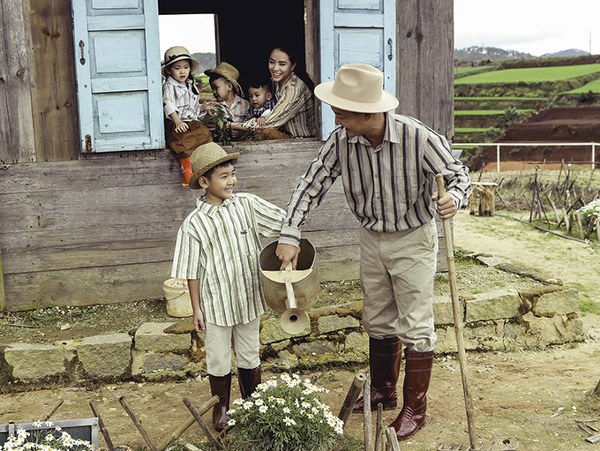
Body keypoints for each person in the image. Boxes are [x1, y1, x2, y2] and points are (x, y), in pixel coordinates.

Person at [275, 64, 472, 441]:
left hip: (413, 237)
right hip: (370, 236)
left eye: (342, 112)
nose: (337, 118)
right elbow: (310, 185)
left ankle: (415, 409)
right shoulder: (340, 141)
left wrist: (454, 198)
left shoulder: (418, 138)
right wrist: (290, 232)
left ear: (368, 113)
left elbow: (459, 176)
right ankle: (383, 389)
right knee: (377, 316)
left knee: (415, 322)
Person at [170, 142, 285, 432]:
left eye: (232, 174)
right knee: (218, 357)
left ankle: (253, 405)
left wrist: (289, 244)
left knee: (249, 352)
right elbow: (192, 271)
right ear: (204, 182)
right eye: (223, 176)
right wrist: (196, 308)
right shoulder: (194, 224)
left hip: (247, 298)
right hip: (216, 304)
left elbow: (284, 223)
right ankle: (221, 408)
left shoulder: (247, 205)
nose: (231, 180)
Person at [229, 45, 315, 138]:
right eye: (272, 62)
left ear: (292, 66)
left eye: (282, 64)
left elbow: (269, 123)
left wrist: (231, 125)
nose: (275, 68)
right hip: (284, 134)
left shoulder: (294, 89)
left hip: (301, 140)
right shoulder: (275, 82)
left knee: (264, 132)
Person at [162, 46, 214, 186]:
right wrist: (177, 121)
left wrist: (203, 107)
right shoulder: (169, 86)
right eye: (177, 68)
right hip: (176, 122)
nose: (182, 71)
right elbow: (168, 104)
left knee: (204, 135)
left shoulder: (191, 85)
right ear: (169, 70)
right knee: (183, 140)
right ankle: (187, 169)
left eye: (186, 67)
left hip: (190, 121)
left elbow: (193, 108)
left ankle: (204, 167)